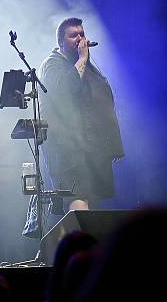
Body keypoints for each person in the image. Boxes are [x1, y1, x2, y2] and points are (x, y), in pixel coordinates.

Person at [40, 17, 124, 211]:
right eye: (73, 35)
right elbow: (66, 90)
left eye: (82, 34)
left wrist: (111, 142)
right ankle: (79, 241)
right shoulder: (52, 64)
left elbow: (103, 99)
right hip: (67, 147)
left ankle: (90, 239)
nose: (80, 39)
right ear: (61, 41)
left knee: (93, 199)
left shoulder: (87, 67)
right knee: (78, 196)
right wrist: (83, 58)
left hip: (90, 145)